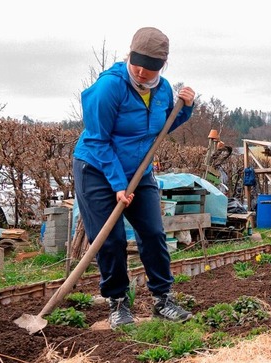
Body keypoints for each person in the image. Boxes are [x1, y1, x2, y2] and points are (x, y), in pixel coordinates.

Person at [73, 27, 196, 329]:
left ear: (162, 66)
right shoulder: (108, 88)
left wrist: (187, 108)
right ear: (129, 55)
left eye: (150, 67)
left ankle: (163, 299)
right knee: (111, 240)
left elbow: (163, 125)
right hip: (97, 170)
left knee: (153, 233)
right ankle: (117, 302)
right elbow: (99, 140)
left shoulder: (164, 89)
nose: (141, 72)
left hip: (139, 170)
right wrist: (117, 185)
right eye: (137, 64)